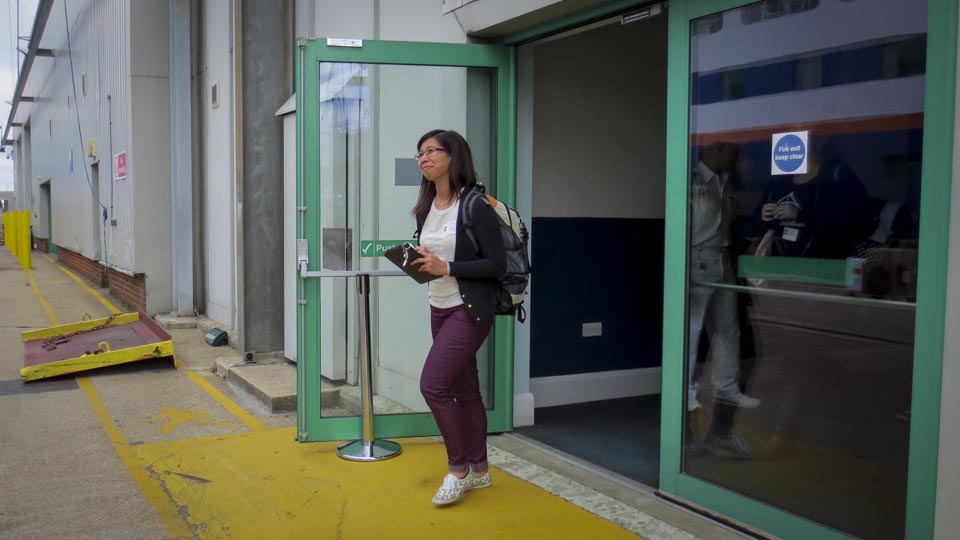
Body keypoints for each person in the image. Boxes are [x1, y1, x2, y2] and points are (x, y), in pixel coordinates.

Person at [408, 129, 506, 506]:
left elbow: (496, 265)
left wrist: (446, 265)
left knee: (433, 386)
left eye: (432, 151)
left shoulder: (476, 205)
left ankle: (458, 470)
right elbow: (434, 261)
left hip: (469, 309)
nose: (424, 158)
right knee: (465, 392)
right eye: (420, 153)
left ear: (454, 156)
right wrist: (419, 260)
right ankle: (480, 470)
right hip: (439, 306)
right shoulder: (427, 206)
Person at [688, 142, 761, 412]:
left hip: (723, 257)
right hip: (697, 257)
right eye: (733, 151)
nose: (738, 157)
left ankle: (727, 387)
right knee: (692, 328)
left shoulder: (727, 182)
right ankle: (685, 391)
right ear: (716, 150)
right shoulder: (693, 182)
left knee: (728, 327)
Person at [753, 138, 872, 259]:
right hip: (778, 265)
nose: (790, 147)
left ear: (819, 143)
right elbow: (754, 228)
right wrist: (763, 218)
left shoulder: (837, 175)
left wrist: (801, 215)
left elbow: (856, 223)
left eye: (798, 140)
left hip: (822, 266)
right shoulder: (779, 181)